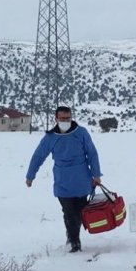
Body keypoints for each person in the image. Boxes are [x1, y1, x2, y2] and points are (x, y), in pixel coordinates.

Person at [26, 106, 102, 252]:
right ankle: (74, 242)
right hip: (62, 181)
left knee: (79, 212)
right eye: (62, 119)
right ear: (56, 119)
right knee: (68, 212)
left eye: (68, 118)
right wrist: (30, 175)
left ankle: (73, 236)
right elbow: (38, 156)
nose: (65, 121)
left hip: (81, 180)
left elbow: (92, 154)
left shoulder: (81, 133)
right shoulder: (50, 137)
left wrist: (96, 175)